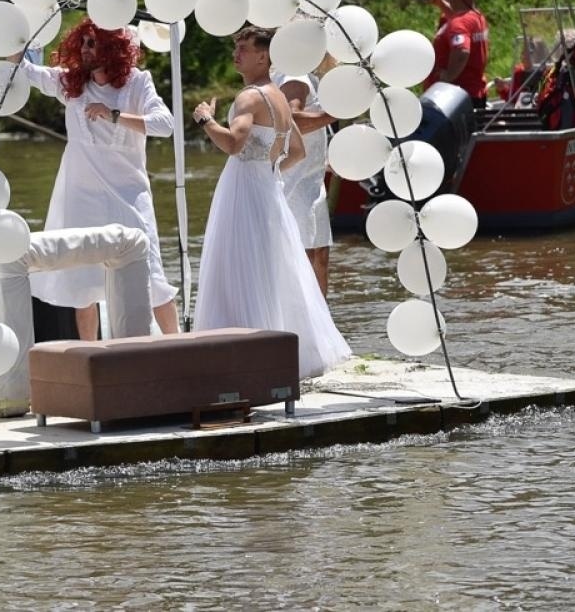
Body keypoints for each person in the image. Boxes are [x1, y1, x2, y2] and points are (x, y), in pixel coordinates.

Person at [192, 26, 350, 379]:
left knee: (237, 263)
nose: (236, 53)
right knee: (273, 265)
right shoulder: (277, 95)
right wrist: (270, 168)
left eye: (244, 48)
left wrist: (205, 119)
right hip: (267, 187)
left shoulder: (250, 98)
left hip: (244, 188)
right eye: (235, 46)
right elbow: (297, 151)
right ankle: (286, 348)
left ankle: (239, 351)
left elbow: (232, 144)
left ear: (263, 56)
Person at [21, 19, 180, 339]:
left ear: (112, 47)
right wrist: (13, 44)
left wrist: (115, 115)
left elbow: (166, 124)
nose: (84, 49)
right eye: (82, 42)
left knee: (150, 272)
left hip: (128, 191)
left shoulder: (137, 82)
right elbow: (29, 73)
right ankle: (91, 354)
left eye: (92, 43)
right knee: (83, 280)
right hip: (81, 193)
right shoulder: (73, 83)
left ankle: (177, 344)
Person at [278, 61, 334, 294]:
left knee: (318, 256)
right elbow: (292, 121)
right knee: (308, 258)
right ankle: (308, 323)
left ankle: (318, 323)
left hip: (309, 179)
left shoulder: (301, 74)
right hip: (297, 183)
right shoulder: (295, 73)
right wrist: (335, 114)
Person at [425, 0, 489, 103]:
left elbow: (462, 52)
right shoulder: (476, 17)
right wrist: (441, 3)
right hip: (472, 92)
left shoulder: (459, 23)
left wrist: (447, 76)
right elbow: (459, 18)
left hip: (455, 97)